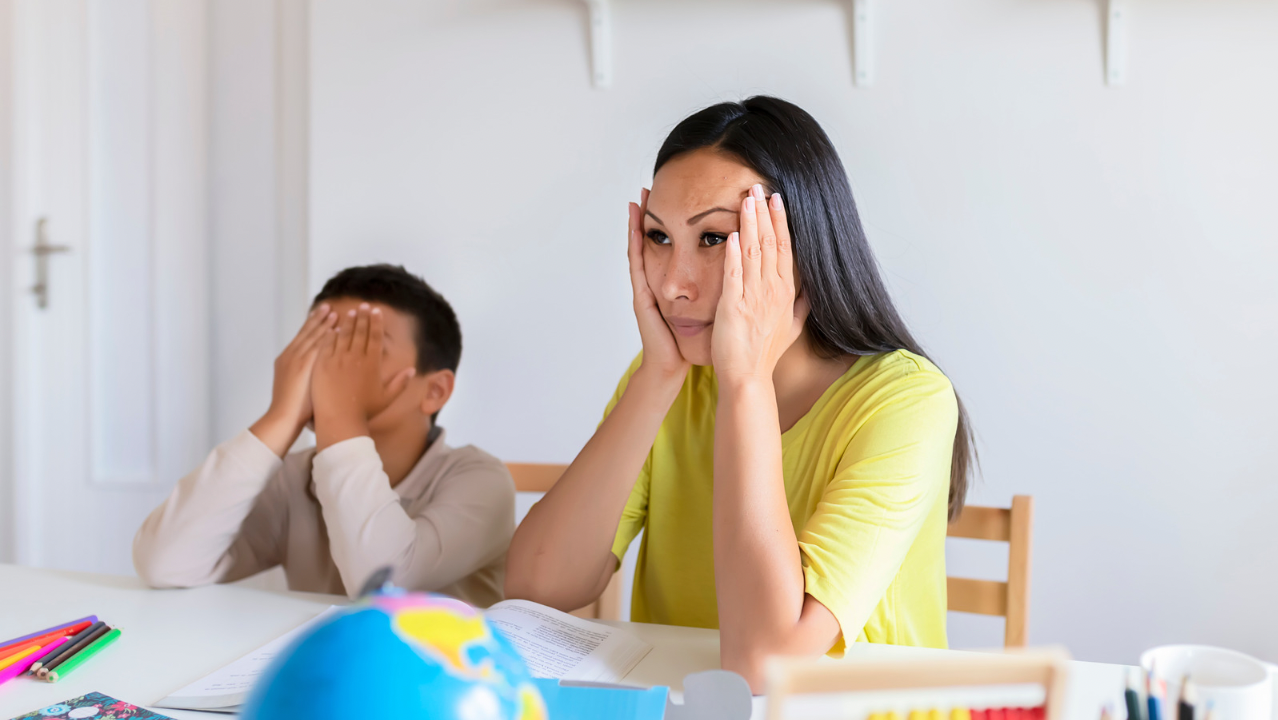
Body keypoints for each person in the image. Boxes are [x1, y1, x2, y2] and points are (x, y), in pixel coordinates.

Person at [504, 97, 976, 691]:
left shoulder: (908, 402)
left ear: (799, 245)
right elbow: (537, 587)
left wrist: (745, 381)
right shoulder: (667, 380)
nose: (673, 284)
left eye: (713, 238)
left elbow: (764, 669)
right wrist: (656, 379)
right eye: (658, 236)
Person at [134, 264, 514, 607]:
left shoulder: (480, 480)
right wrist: (282, 416)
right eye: (321, 346)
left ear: (434, 391)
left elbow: (382, 587)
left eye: (362, 351)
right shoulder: (295, 478)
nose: (331, 369)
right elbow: (166, 566)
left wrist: (342, 411)